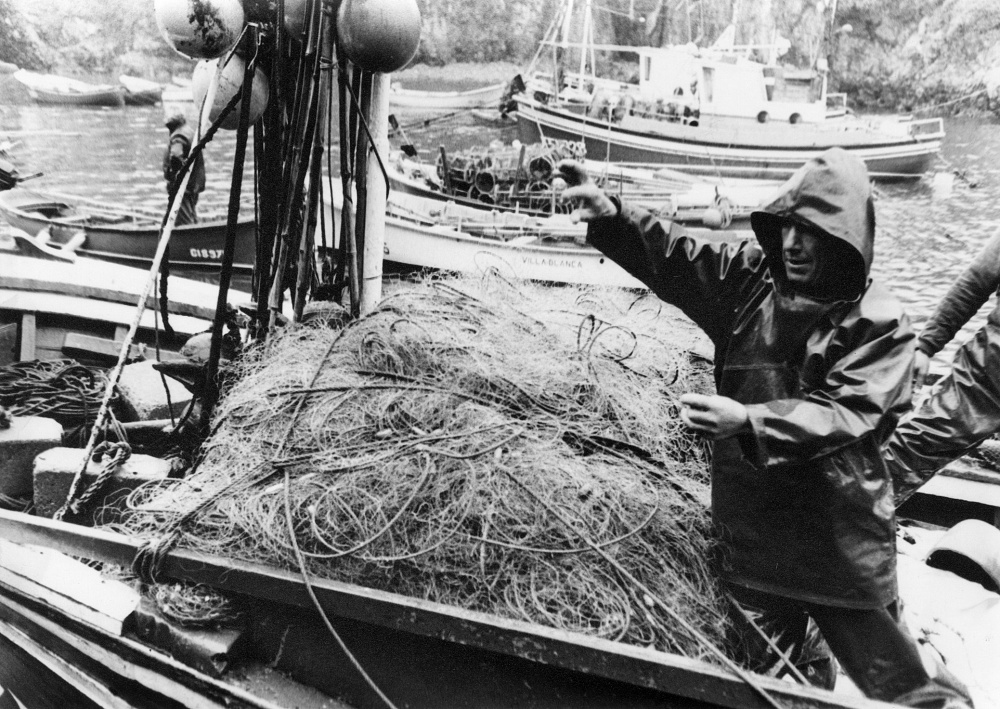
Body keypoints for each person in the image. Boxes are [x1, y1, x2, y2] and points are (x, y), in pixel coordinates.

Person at [557, 148, 972, 708]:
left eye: (813, 232)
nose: (794, 244)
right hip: (755, 537)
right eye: (788, 227)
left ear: (845, 239)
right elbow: (680, 256)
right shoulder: (750, 283)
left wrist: (747, 420)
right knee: (761, 682)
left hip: (839, 546)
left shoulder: (882, 324)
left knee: (908, 683)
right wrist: (613, 215)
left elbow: (843, 413)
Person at [884, 231, 1000, 505]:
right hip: (988, 375)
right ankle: (839, 524)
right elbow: (973, 285)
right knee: (913, 446)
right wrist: (926, 347)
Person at [162, 113, 206, 226]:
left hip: (183, 186)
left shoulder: (178, 136)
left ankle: (188, 240)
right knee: (190, 213)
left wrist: (175, 175)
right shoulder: (189, 131)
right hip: (193, 183)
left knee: (184, 220)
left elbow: (176, 155)